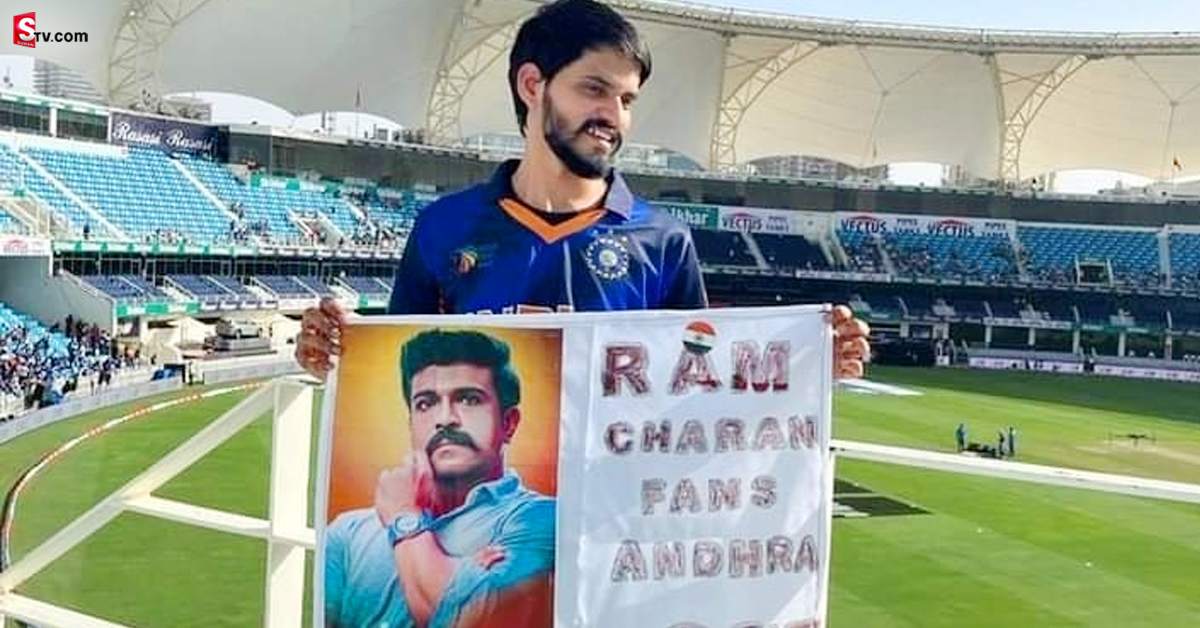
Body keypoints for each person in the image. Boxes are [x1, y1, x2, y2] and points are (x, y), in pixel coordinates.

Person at [295, 0, 870, 381]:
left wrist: (809, 363)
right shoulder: (444, 226)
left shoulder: (663, 240)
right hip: (484, 524)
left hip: (613, 523)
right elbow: (397, 372)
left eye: (626, 100)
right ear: (532, 84)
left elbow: (698, 386)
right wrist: (336, 353)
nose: (613, 116)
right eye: (594, 89)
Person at [324, 329, 553, 628]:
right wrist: (459, 581)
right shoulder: (349, 531)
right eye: (425, 403)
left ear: (508, 423)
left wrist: (405, 519)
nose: (445, 419)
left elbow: (471, 621)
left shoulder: (539, 518)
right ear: (411, 424)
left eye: (469, 399)